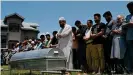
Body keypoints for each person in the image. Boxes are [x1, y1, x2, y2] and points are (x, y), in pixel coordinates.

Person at [124, 2, 133, 73]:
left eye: (130, 7)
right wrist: (128, 24)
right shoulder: (127, 16)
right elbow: (123, 25)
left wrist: (129, 24)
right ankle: (130, 69)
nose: (129, 9)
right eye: (128, 8)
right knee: (130, 54)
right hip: (129, 38)